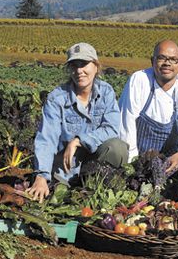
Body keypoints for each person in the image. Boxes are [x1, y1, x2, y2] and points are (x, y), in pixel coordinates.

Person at [27, 42, 128, 203]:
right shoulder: (57, 98)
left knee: (117, 148)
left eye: (84, 64)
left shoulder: (106, 92)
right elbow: (47, 138)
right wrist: (41, 176)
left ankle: (100, 186)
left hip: (95, 165)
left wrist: (79, 141)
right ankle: (68, 185)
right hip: (65, 169)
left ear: (96, 66)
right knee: (59, 199)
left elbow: (111, 129)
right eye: (74, 66)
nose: (79, 71)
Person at [119, 39, 178, 175]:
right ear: (152, 61)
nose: (167, 63)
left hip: (170, 160)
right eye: (161, 58)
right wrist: (133, 164)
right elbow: (126, 124)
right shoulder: (139, 80)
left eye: (173, 59)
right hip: (136, 154)